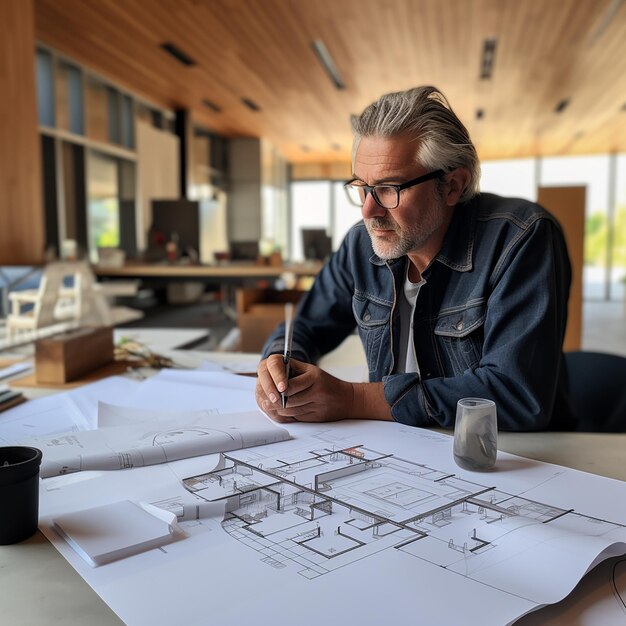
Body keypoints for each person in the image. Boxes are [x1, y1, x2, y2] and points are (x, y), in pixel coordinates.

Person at [255, 86, 574, 431]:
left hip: (512, 458)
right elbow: (304, 326)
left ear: (452, 185)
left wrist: (354, 399)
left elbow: (515, 396)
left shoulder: (521, 238)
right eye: (362, 186)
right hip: (400, 448)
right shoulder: (361, 246)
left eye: (389, 189)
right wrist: (278, 365)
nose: (368, 211)